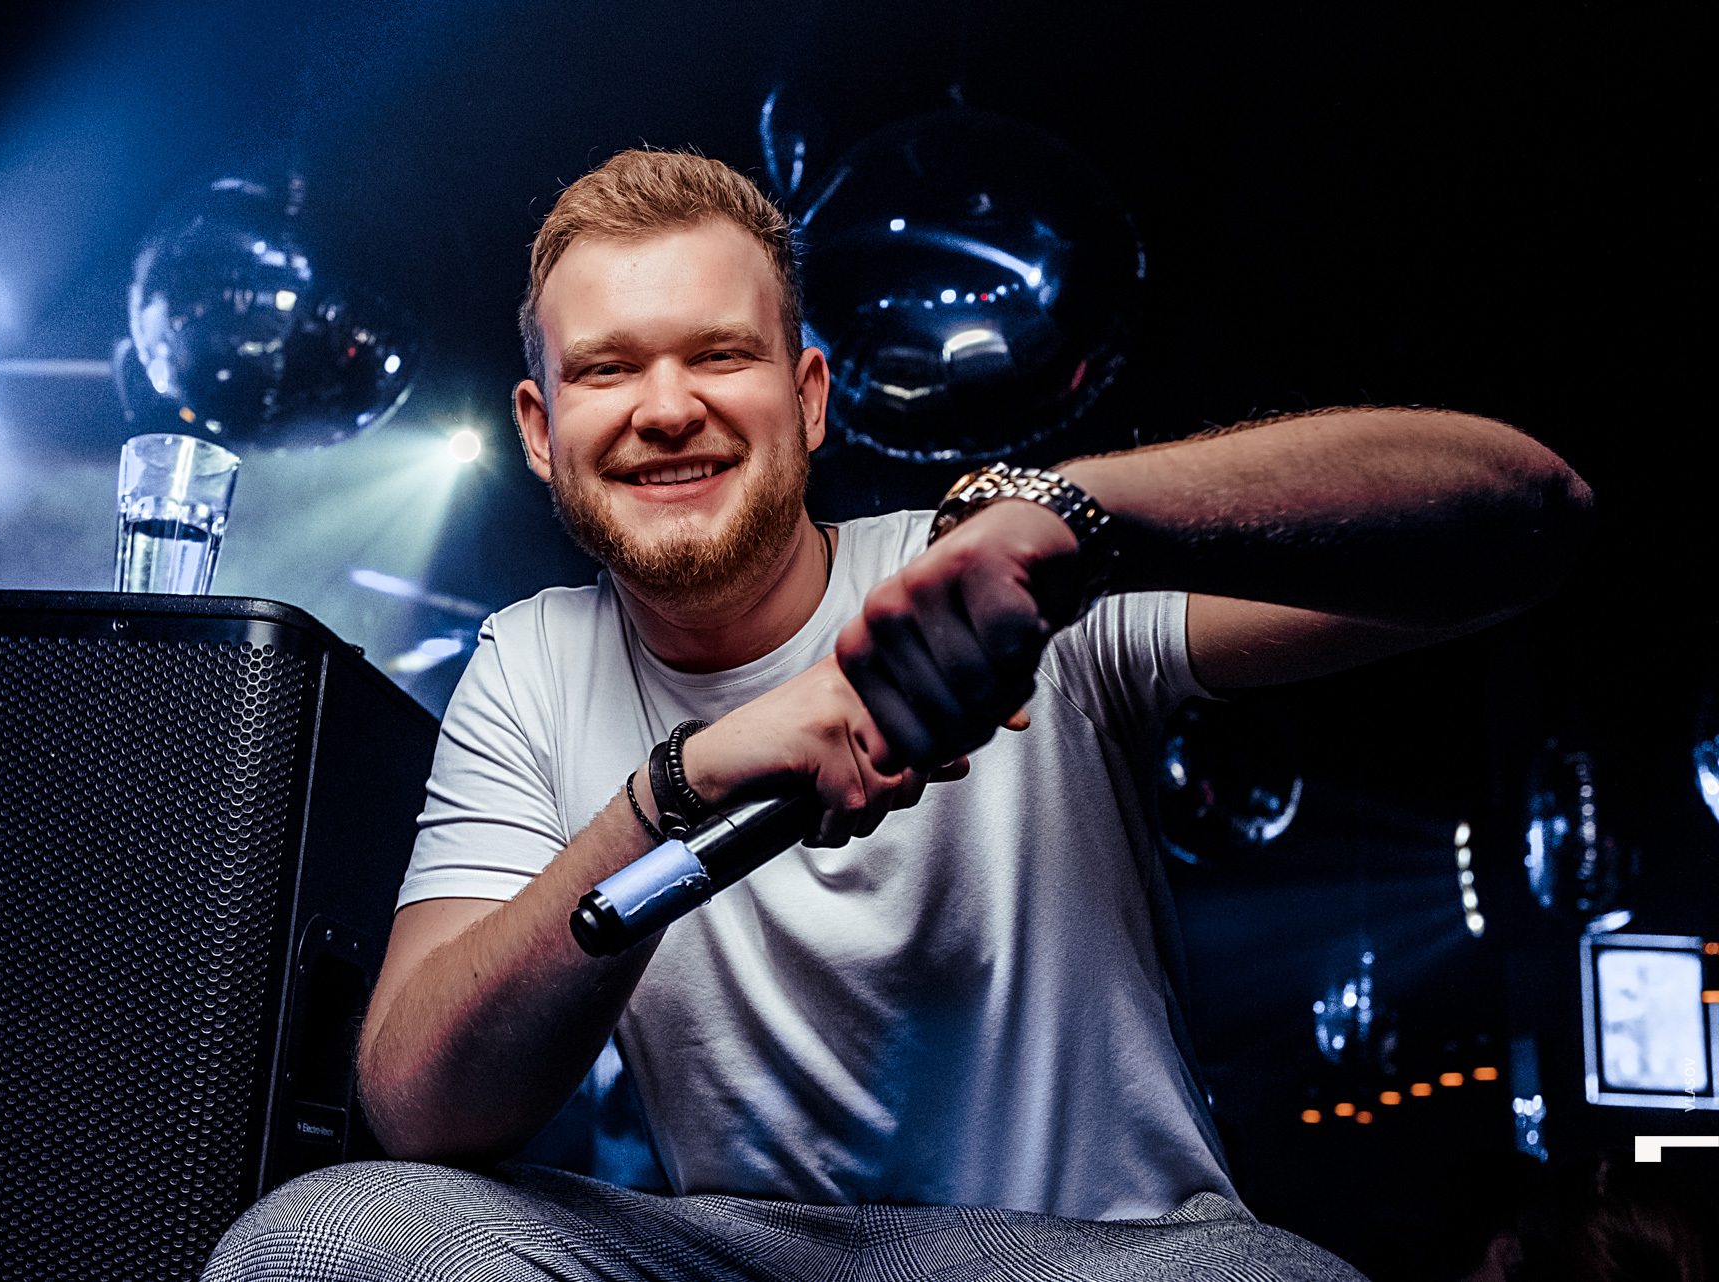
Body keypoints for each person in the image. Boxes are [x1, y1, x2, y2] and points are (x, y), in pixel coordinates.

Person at [203, 149, 1591, 1281]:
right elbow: (422, 1105)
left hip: (1096, 1255)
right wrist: (673, 790)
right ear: (536, 425)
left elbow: (1532, 516)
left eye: (719, 355)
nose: (666, 408)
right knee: (328, 1239)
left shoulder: (998, 579)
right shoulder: (534, 657)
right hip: (736, 1253)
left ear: (809, 396)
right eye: (609, 369)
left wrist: (1072, 522)